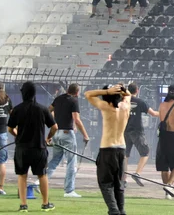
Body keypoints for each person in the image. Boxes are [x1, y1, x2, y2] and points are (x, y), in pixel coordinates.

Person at [7, 82, 57, 213]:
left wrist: (17, 135)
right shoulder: (42, 109)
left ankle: (23, 205)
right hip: (39, 147)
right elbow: (54, 127)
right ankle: (45, 204)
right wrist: (48, 138)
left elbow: (10, 129)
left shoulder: (17, 109)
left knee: (22, 175)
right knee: (42, 175)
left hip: (22, 148)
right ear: (34, 93)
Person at [84, 84, 131, 215]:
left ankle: (114, 210)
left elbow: (87, 94)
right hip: (121, 149)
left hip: (107, 149)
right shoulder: (125, 106)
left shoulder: (105, 107)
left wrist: (107, 91)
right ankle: (121, 210)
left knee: (106, 183)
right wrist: (121, 89)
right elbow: (129, 95)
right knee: (119, 184)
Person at [46, 83, 90, 198]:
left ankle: (40, 183)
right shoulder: (74, 101)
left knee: (55, 160)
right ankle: (69, 190)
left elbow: (48, 111)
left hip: (56, 132)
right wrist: (85, 135)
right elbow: (77, 119)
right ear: (77, 92)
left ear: (67, 90)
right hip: (67, 134)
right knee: (71, 162)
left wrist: (53, 123)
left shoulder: (58, 98)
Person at [123, 83, 158, 188]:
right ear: (137, 91)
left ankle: (123, 179)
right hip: (137, 130)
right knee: (145, 153)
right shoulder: (140, 102)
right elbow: (153, 113)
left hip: (125, 130)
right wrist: (166, 113)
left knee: (125, 155)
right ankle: (137, 173)